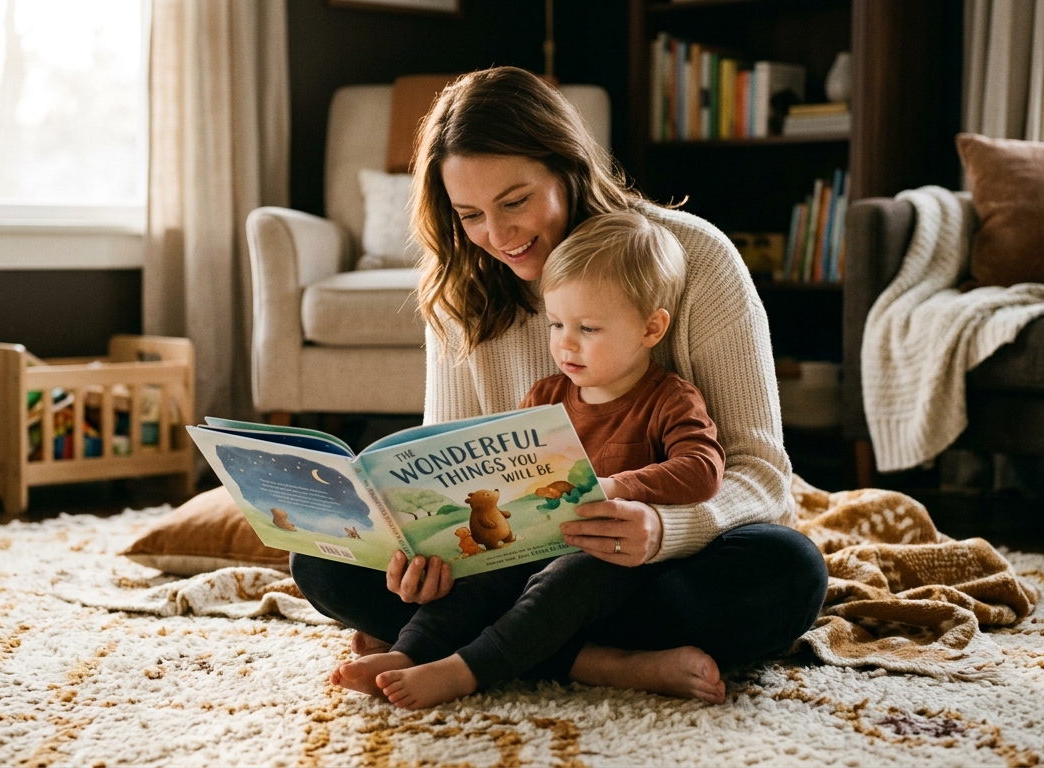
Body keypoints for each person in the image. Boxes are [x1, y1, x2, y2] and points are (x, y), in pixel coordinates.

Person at [291, 65, 828, 706]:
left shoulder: (694, 258)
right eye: (470, 214)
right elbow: (445, 484)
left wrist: (661, 529)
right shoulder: (461, 291)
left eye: (515, 201)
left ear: (568, 168)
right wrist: (422, 555)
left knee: (790, 571)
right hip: (508, 565)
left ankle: (474, 647)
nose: (499, 236)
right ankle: (605, 662)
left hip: (644, 565)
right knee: (321, 561)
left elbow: (763, 476)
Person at [366, 210, 727, 709]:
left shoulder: (670, 399)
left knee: (570, 577)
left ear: (651, 328)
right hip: (529, 547)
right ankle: (409, 652)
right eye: (556, 323)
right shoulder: (544, 397)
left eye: (588, 328)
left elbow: (704, 469)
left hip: (611, 565)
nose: (565, 342)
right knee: (479, 570)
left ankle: (467, 669)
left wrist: (619, 487)